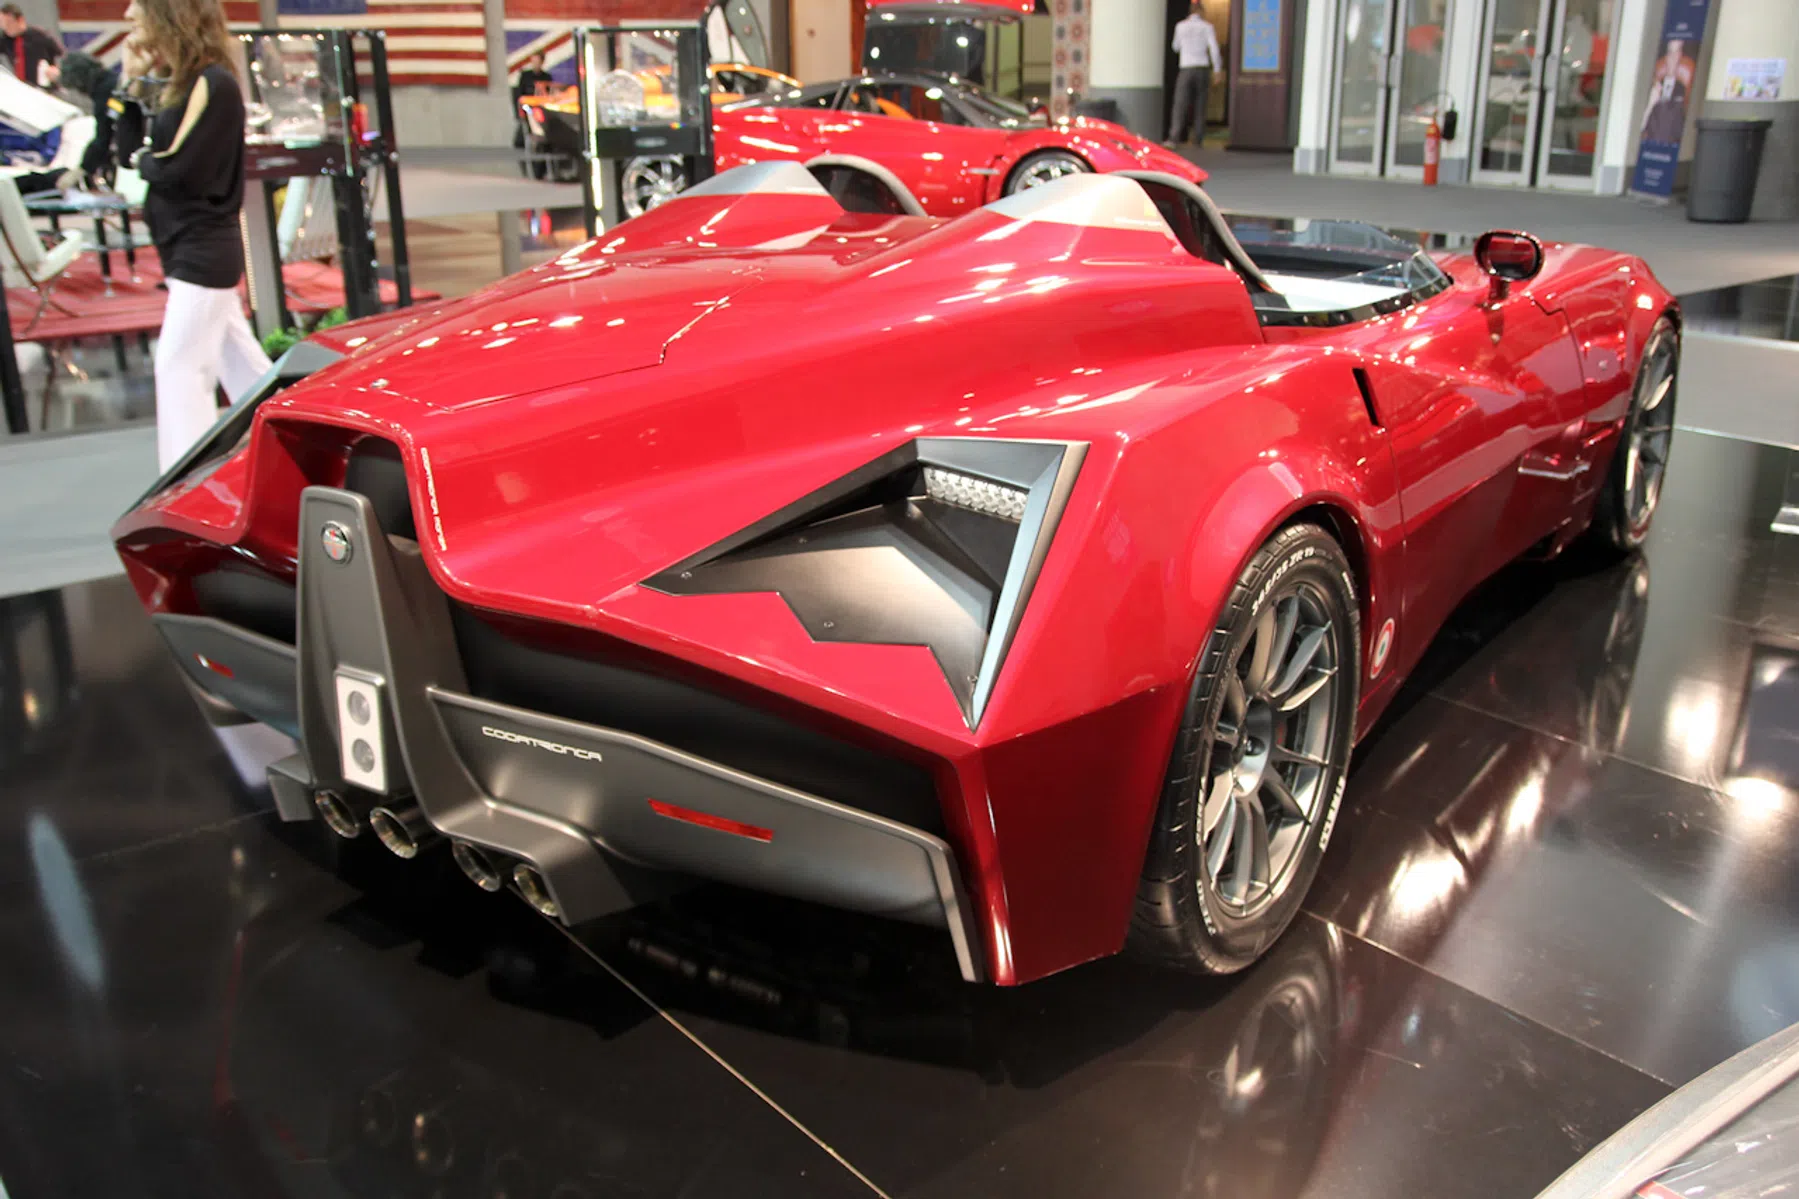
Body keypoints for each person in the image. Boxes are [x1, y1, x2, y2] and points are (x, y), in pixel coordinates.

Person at [120, 0, 271, 470]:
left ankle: (185, 483)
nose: (127, 16)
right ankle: (301, 446)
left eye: (139, 8)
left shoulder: (214, 85)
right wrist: (129, 87)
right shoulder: (178, 85)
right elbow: (125, 150)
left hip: (202, 249)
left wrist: (145, 161)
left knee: (180, 370)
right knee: (248, 373)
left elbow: (179, 170)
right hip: (182, 246)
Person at [1166, 2, 1221, 145]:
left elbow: (1175, 47)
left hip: (1186, 67)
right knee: (1200, 104)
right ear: (1201, 12)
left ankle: (1174, 136)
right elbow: (1214, 49)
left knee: (1180, 103)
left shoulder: (1180, 26)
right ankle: (1198, 138)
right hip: (1202, 67)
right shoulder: (1207, 27)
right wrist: (1217, 70)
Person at [0, 3, 61, 88]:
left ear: (20, 20)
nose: (6, 27)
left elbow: (60, 54)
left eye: (9, 23)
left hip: (45, 86)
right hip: (23, 88)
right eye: (2, 24)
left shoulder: (40, 35)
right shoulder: (5, 40)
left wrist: (56, 69)